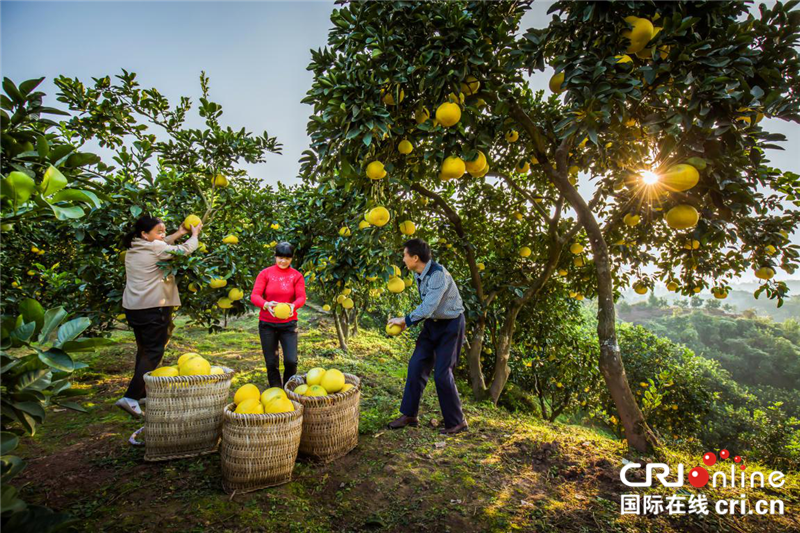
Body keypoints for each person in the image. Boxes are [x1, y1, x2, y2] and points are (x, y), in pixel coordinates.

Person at [118, 215, 202, 418]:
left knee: (144, 350)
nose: (163, 235)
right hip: (153, 308)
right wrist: (194, 235)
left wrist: (179, 233)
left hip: (134, 307)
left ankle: (140, 392)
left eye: (164, 230)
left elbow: (161, 243)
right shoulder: (155, 248)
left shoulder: (134, 247)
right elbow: (183, 251)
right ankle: (130, 398)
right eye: (158, 231)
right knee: (154, 351)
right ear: (144, 234)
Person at [386, 238, 468, 435]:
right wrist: (409, 322)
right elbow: (428, 308)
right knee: (416, 365)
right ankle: (409, 414)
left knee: (442, 373)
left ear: (415, 258)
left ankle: (457, 422)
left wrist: (404, 320)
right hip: (433, 324)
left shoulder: (438, 274)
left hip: (451, 325)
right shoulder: (419, 273)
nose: (403, 259)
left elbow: (430, 305)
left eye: (405, 255)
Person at [250, 242, 307, 388]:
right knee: (271, 362)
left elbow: (301, 297)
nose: (283, 261)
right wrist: (266, 304)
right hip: (267, 325)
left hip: (288, 325)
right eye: (280, 257)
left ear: (292, 259)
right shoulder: (265, 273)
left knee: (291, 361)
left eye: (287, 258)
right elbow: (255, 295)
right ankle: (276, 391)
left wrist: (293, 305)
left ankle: (288, 388)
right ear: (275, 257)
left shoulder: (296, 276)